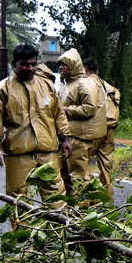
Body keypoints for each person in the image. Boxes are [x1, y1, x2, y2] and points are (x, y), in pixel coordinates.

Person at [0, 44, 72, 204]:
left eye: (33, 64)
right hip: (18, 155)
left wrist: (65, 139)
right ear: (14, 65)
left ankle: (56, 229)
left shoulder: (47, 86)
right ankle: (23, 228)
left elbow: (58, 114)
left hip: (48, 153)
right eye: (24, 64)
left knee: (57, 200)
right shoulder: (2, 89)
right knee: (19, 202)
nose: (30, 68)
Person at [56, 49, 106, 194]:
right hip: (68, 136)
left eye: (64, 64)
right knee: (64, 174)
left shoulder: (83, 84)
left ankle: (83, 210)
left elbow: (89, 108)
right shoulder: (65, 85)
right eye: (59, 65)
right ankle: (69, 208)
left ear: (74, 65)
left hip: (79, 137)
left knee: (79, 175)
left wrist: (66, 110)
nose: (61, 68)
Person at [84, 60, 119, 202]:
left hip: (93, 130)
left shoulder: (86, 84)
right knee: (106, 170)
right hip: (109, 130)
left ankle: (88, 202)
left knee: (83, 166)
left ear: (84, 70)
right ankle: (108, 204)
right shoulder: (108, 86)